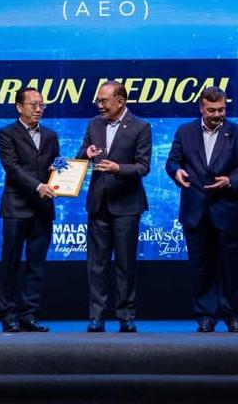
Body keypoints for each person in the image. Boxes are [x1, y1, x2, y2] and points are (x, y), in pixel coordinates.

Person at [165, 86, 238, 333]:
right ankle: (205, 316)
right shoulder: (184, 132)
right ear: (201, 108)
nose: (217, 114)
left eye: (221, 109)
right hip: (195, 211)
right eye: (212, 110)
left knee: (231, 267)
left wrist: (230, 180)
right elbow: (172, 161)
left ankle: (233, 315)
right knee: (200, 267)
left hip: (229, 210)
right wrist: (177, 171)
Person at [77, 80, 151, 333]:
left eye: (104, 101)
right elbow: (81, 156)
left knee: (125, 263)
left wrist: (119, 168)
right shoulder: (93, 124)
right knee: (96, 264)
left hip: (127, 205)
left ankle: (126, 315)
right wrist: (85, 154)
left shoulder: (141, 127)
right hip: (98, 204)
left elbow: (143, 166)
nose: (99, 105)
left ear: (120, 102)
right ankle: (96, 316)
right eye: (98, 100)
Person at [0, 86, 59, 333]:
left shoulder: (51, 135)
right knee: (10, 263)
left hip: (42, 209)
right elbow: (12, 167)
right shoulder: (6, 133)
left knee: (36, 265)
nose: (39, 109)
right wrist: (38, 186)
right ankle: (8, 314)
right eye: (33, 104)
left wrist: (61, 170)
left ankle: (29, 315)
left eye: (42, 104)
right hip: (16, 207)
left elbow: (56, 164)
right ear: (19, 107)